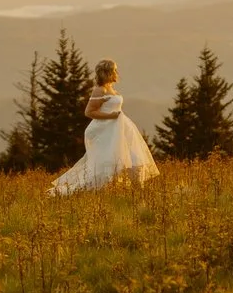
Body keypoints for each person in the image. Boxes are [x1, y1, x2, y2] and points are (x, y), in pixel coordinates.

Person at [49, 59, 160, 195]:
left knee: (135, 159)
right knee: (107, 166)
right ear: (108, 72)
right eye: (114, 70)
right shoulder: (100, 90)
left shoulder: (111, 89)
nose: (117, 73)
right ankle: (84, 192)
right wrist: (111, 116)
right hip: (108, 131)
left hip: (121, 129)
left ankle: (138, 191)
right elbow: (89, 112)